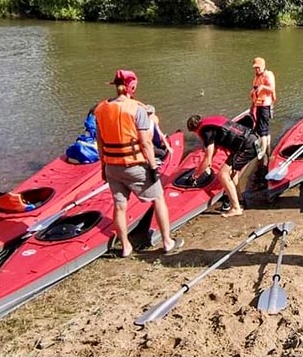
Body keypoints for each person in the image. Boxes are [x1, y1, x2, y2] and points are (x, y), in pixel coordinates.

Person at [94, 70, 182, 257]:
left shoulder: (100, 109)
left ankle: (126, 247)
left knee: (119, 206)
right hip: (135, 166)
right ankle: (167, 242)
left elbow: (100, 142)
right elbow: (145, 143)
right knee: (158, 199)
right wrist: (153, 167)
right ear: (131, 87)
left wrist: (103, 166)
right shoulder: (137, 109)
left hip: (112, 166)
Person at [186, 114, 262, 218]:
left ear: (195, 130)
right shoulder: (211, 124)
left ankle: (236, 208)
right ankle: (240, 201)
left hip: (247, 147)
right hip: (252, 140)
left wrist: (195, 176)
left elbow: (207, 157)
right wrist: (209, 164)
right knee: (232, 173)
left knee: (222, 174)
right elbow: (214, 150)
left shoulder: (205, 131)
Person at [250, 57, 276, 163]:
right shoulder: (257, 77)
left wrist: (263, 87)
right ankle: (267, 147)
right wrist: (252, 106)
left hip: (265, 105)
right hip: (258, 105)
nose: (256, 70)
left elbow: (272, 89)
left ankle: (263, 152)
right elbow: (255, 92)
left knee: (262, 128)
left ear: (263, 66)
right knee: (261, 127)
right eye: (255, 68)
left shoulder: (268, 75)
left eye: (258, 68)